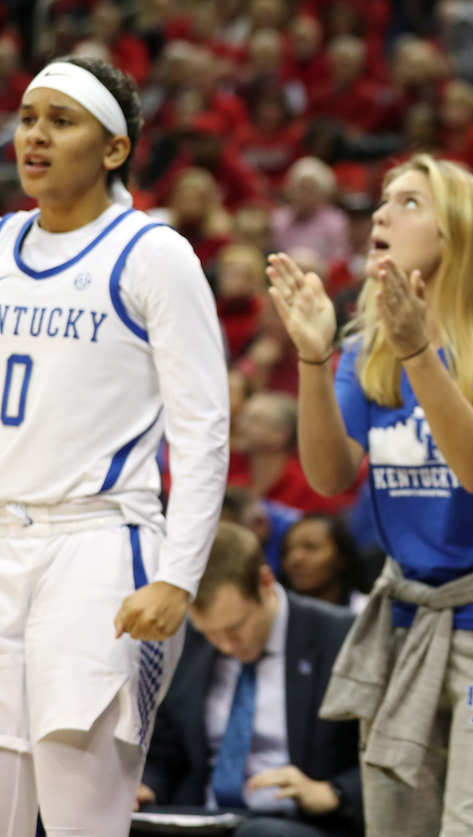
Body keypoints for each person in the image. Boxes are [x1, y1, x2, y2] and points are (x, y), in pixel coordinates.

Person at [264, 154, 473, 836]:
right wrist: (315, 358)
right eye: (384, 201)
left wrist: (417, 353)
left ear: (456, 232)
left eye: (408, 202)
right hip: (407, 626)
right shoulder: (365, 350)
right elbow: (328, 477)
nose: (381, 214)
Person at [0, 57, 229, 836]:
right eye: (28, 118)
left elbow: (203, 426)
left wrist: (179, 575)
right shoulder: (2, 244)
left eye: (61, 121)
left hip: (98, 546)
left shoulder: (153, 253)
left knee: (81, 819)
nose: (35, 136)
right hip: (5, 535)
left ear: (114, 149)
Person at [140, 522, 363, 837]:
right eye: (210, 633)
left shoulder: (341, 637)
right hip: (206, 817)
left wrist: (334, 792)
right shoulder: (189, 643)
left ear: (265, 583)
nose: (225, 646)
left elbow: (392, 753)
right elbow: (166, 750)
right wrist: (146, 786)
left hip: (303, 823)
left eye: (235, 629)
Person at [279, 513, 375, 612]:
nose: (294, 559)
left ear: (341, 558)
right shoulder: (277, 614)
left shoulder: (368, 611)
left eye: (311, 547)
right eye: (287, 551)